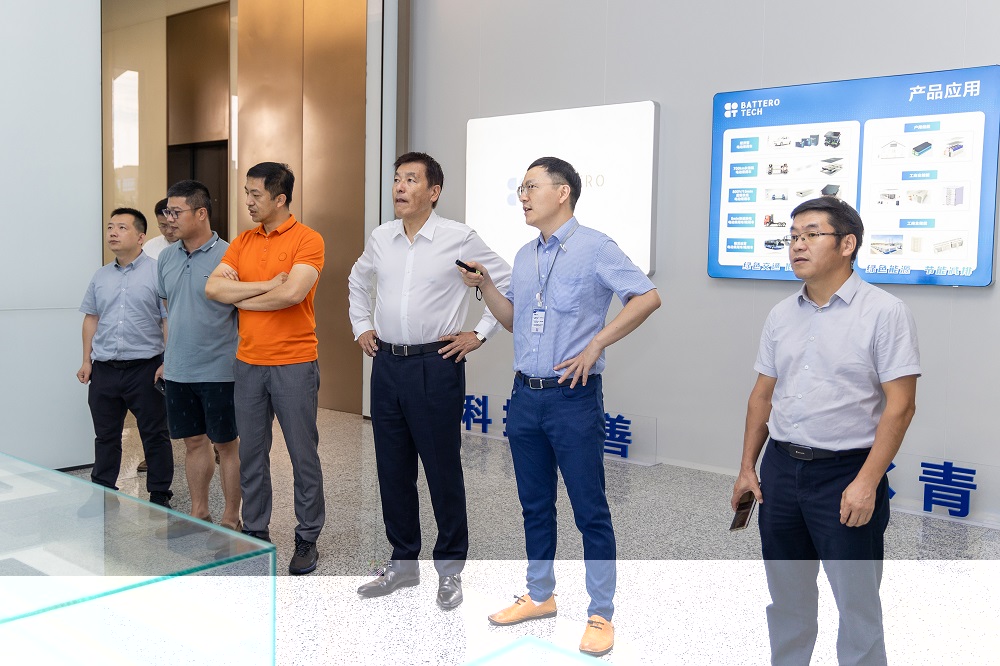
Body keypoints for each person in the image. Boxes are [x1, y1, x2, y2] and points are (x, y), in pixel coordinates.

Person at [458, 157, 660, 657]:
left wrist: (597, 344)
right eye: (521, 188)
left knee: (590, 510)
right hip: (525, 396)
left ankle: (600, 613)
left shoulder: (596, 247)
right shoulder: (525, 255)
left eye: (531, 186)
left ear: (563, 191)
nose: (522, 196)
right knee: (534, 504)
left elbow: (646, 297)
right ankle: (540, 595)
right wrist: (486, 287)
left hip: (573, 398)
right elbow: (513, 320)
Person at [730, 196, 920, 665]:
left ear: (847, 244)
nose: (797, 245)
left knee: (857, 605)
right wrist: (747, 468)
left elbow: (901, 407)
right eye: (793, 236)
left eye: (811, 235)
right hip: (780, 471)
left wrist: (867, 482)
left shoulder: (885, 312)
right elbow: (761, 396)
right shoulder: (781, 314)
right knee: (787, 597)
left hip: (846, 473)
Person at [348, 152, 511, 610]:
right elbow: (357, 281)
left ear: (433, 191)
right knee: (392, 469)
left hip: (436, 365)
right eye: (397, 179)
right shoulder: (382, 237)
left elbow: (507, 282)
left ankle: (450, 569)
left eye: (411, 180)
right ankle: (403, 563)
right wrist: (361, 324)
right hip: (387, 364)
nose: (399, 187)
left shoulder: (459, 237)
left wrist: (480, 333)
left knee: (441, 470)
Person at [205, 162, 325, 575]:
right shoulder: (242, 241)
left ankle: (307, 536)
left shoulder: (307, 239)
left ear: (280, 198)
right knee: (252, 453)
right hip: (248, 363)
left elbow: (292, 294)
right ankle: (255, 532)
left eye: (255, 194)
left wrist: (241, 298)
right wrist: (266, 285)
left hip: (294, 362)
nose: (248, 201)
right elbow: (213, 288)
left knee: (302, 454)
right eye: (247, 193)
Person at [158, 180, 241, 530]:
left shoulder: (230, 255)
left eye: (176, 212)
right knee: (193, 443)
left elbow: (243, 312)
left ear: (201, 213)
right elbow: (169, 311)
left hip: (220, 369)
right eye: (168, 212)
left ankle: (231, 518)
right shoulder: (166, 257)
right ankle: (199, 512)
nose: (169, 219)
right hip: (179, 369)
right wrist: (166, 359)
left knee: (226, 445)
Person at [77, 208, 173, 507]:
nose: (113, 233)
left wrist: (167, 361)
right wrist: (86, 360)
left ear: (141, 237)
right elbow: (91, 318)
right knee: (105, 435)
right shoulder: (101, 275)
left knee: (154, 434)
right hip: (104, 368)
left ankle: (159, 494)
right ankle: (103, 490)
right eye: (110, 227)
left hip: (146, 368)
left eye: (121, 227)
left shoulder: (157, 272)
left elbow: (168, 319)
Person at [136, 198, 175, 474]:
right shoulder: (150, 248)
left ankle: (218, 444)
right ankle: (153, 453)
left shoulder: (199, 246)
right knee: (153, 399)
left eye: (171, 224)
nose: (168, 230)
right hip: (158, 330)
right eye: (162, 226)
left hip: (190, 329)